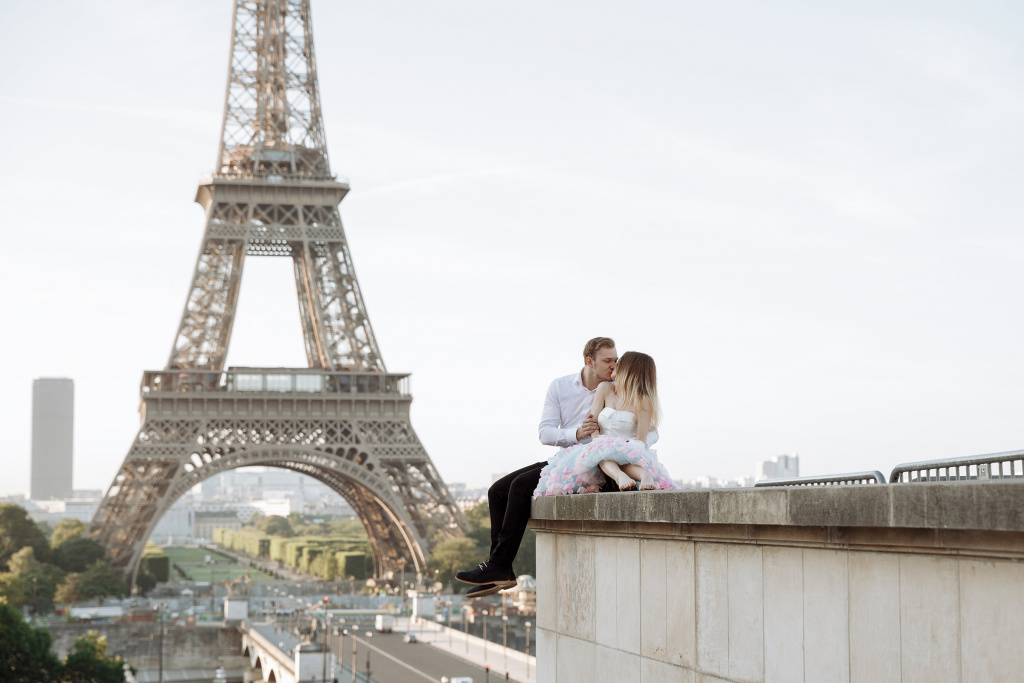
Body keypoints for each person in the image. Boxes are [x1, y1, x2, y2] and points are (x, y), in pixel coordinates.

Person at [455, 337, 659, 597]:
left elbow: (651, 431)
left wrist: (619, 446)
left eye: (616, 360)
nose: (614, 365)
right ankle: (498, 568)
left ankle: (499, 567)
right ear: (589, 362)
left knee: (520, 487)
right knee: (497, 491)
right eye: (608, 361)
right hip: (568, 456)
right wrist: (577, 434)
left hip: (596, 462)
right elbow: (545, 433)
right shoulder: (562, 387)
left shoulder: (621, 388)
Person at [533, 351, 677, 496]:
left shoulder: (643, 400)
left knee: (618, 456)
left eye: (618, 363)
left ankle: (644, 475)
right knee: (602, 454)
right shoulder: (605, 388)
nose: (614, 366)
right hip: (601, 444)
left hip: (629, 447)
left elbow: (641, 438)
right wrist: (599, 443)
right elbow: (593, 421)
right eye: (610, 361)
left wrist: (624, 448)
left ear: (628, 369)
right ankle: (620, 476)